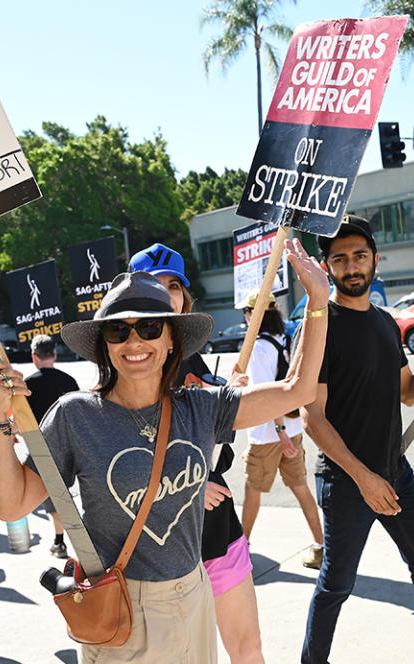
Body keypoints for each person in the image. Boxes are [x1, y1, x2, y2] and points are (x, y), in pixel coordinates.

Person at [0, 240, 329, 664]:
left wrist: (318, 303)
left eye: (149, 327)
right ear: (104, 344)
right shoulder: (76, 416)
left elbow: (299, 389)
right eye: (118, 329)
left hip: (195, 592)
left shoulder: (200, 407)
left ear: (171, 340)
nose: (134, 341)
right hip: (125, 611)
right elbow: (12, 504)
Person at [301, 215, 414, 664]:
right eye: (340, 259)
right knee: (337, 585)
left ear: (375, 261)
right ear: (327, 266)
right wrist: (364, 479)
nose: (351, 267)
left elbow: (409, 391)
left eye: (359, 256)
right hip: (347, 483)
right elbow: (312, 419)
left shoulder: (386, 323)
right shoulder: (320, 326)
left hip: (395, 472)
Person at [129, 243, 264, 663]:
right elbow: (113, 450)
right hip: (162, 543)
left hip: (217, 530)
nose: (165, 293)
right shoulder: (122, 362)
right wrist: (186, 479)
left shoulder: (195, 358)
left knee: (248, 649)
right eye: (153, 284)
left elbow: (218, 456)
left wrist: (229, 404)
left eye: (173, 284)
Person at [237, 289, 324, 569]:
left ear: (253, 315)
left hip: (269, 433)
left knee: (253, 491)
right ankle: (322, 546)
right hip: (293, 426)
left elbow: (266, 394)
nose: (245, 318)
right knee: (300, 488)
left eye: (247, 313)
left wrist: (280, 433)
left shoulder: (259, 348)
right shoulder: (284, 339)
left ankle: (240, 551)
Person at [25, 333, 79, 558]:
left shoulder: (28, 385)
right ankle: (65, 540)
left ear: (33, 356)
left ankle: (60, 542)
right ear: (54, 355)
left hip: (42, 449)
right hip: (71, 447)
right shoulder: (69, 380)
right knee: (62, 495)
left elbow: (22, 420)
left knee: (54, 499)